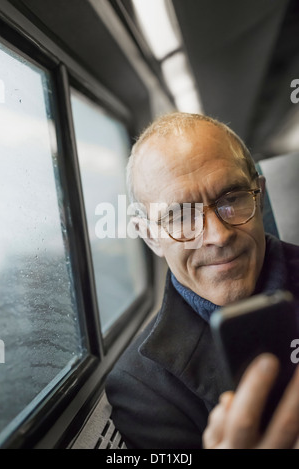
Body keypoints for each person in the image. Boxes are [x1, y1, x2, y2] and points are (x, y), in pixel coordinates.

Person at [105, 112, 299, 449]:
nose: (218, 236)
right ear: (150, 237)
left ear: (260, 195)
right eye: (181, 215)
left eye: (232, 199)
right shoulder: (141, 387)